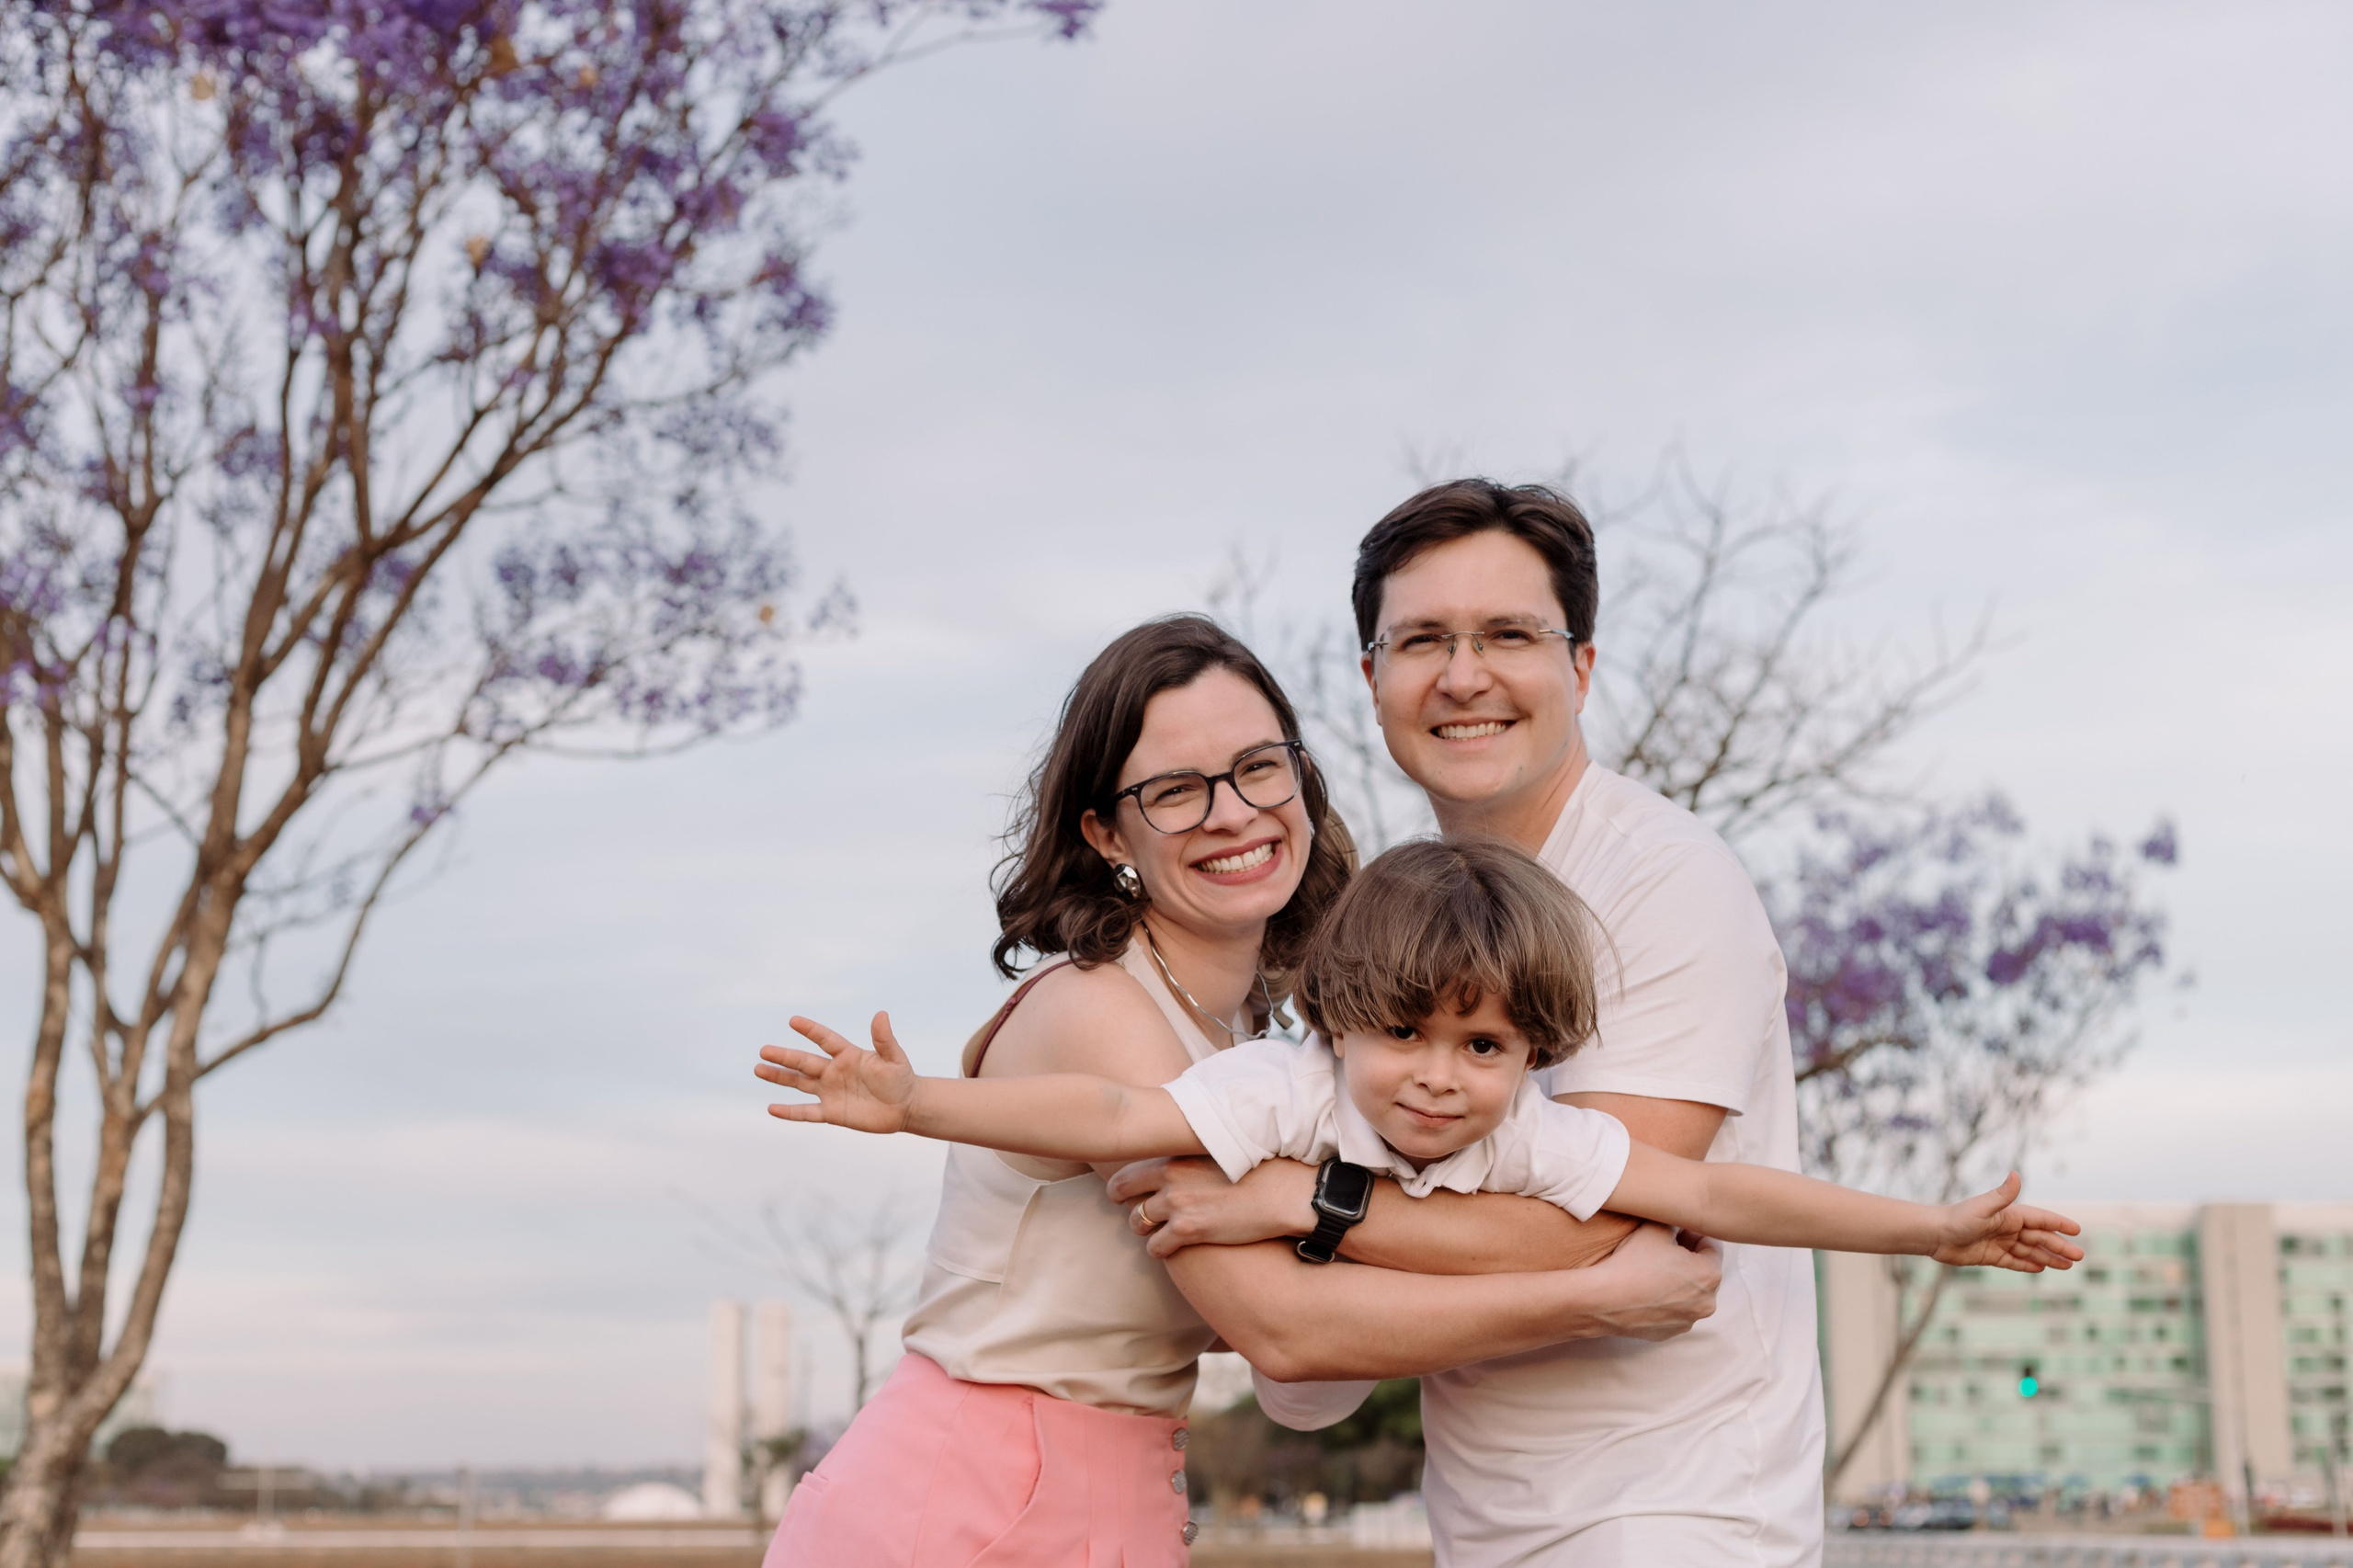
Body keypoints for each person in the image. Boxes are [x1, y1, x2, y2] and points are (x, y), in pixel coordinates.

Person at [1108, 480, 1989, 1566]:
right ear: (1372, 675)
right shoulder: (1427, 920)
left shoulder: (1662, 878)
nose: (1463, 674)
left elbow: (1593, 1221)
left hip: (1671, 1513)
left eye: (1508, 635)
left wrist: (1296, 1200)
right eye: (1421, 637)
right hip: (1496, 1516)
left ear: (1579, 665)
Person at [757, 615, 1723, 1568]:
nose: (1232, 812)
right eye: (1175, 789)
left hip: (1087, 1498)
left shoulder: (1252, 1039)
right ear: (1105, 830)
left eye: (1259, 767)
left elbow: (1273, 1313)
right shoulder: (1103, 1008)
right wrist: (1595, 1295)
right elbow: (1286, 1327)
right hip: (971, 1507)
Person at [764, 835, 2082, 1276]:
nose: (1441, 1073)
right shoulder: (1287, 1083)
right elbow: (1112, 1106)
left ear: (1532, 1049)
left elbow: (1720, 1189)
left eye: (1486, 1042)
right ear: (1339, 1019)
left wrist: (1923, 1229)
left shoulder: (1528, 1132)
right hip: (1283, 1352)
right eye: (1404, 1032)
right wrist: (920, 1101)